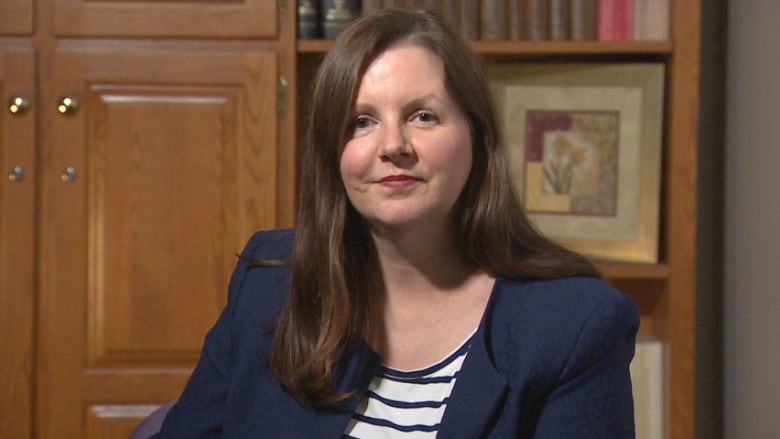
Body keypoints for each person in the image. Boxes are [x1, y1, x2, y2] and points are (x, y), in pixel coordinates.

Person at [152, 8, 639, 438]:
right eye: (361, 121)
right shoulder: (268, 284)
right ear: (333, 152)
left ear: (477, 136)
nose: (392, 145)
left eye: (423, 116)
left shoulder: (574, 325)